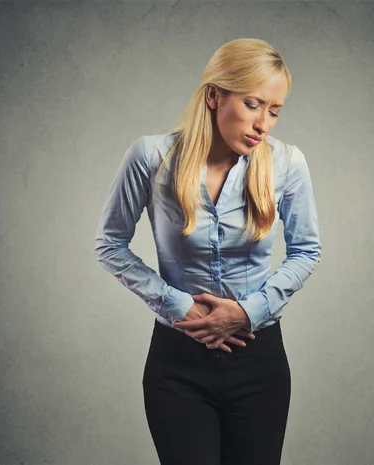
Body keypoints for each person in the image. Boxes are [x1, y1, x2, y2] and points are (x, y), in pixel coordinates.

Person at [94, 38, 321, 465]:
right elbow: (109, 244)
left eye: (274, 111)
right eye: (253, 104)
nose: (264, 124)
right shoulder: (151, 157)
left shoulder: (288, 163)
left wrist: (248, 311)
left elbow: (307, 251)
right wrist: (177, 304)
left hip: (260, 362)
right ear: (214, 95)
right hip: (177, 365)